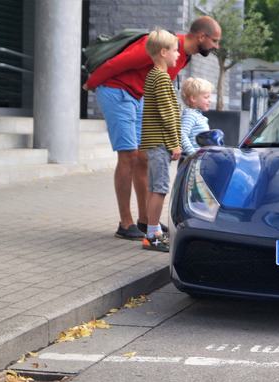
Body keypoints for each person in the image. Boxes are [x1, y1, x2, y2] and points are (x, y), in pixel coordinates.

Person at [83, 16, 221, 240]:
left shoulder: (182, 54)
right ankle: (125, 223)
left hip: (137, 96)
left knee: (143, 157)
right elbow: (116, 63)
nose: (216, 47)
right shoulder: (162, 45)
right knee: (127, 155)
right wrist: (91, 83)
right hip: (116, 91)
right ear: (201, 37)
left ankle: (146, 220)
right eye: (214, 41)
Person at [139, 29, 182, 252]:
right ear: (163, 52)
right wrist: (175, 143)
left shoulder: (153, 75)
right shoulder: (162, 78)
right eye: (175, 50)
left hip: (154, 142)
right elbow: (167, 114)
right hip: (160, 143)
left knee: (154, 187)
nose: (178, 54)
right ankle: (153, 236)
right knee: (160, 188)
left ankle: (151, 232)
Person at [180, 77, 213, 156]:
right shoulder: (190, 115)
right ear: (193, 98)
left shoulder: (198, 115)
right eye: (206, 97)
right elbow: (181, 134)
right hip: (192, 162)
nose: (210, 100)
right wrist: (192, 154)